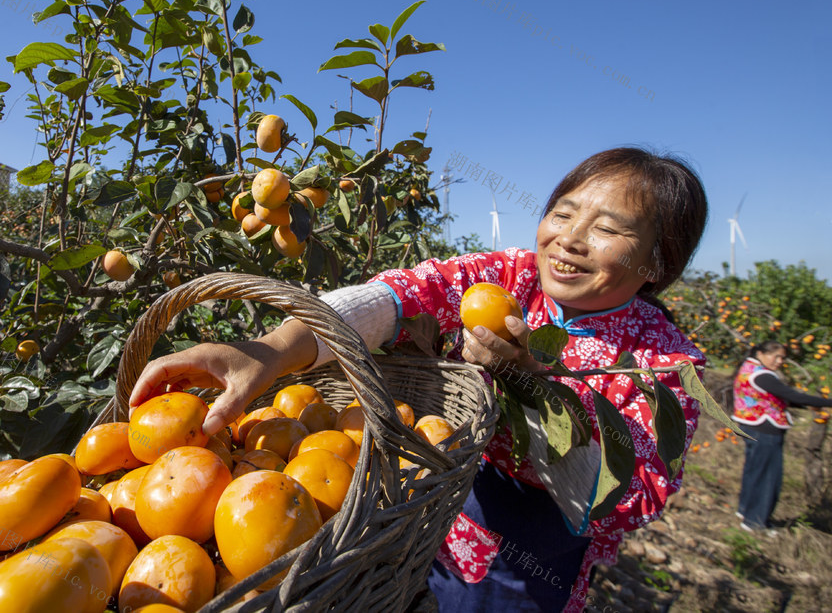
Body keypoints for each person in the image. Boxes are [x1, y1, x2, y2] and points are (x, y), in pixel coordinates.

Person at [128, 147, 709, 612]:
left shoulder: (661, 363)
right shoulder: (509, 277)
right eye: (562, 212)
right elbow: (398, 298)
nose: (570, 238)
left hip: (530, 554)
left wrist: (535, 394)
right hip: (433, 508)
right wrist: (272, 349)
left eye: (607, 228)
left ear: (657, 263)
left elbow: (624, 495)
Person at [733, 340, 832, 535]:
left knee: (754, 471)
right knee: (768, 478)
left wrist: (808, 405)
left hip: (751, 425)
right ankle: (755, 521)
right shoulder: (763, 375)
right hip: (766, 430)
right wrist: (827, 402)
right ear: (760, 353)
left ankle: (745, 510)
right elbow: (794, 396)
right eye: (775, 356)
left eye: (782, 358)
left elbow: (774, 397)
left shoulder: (748, 367)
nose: (779, 361)